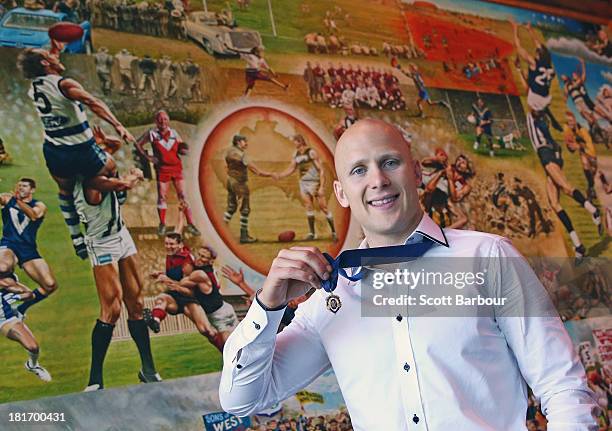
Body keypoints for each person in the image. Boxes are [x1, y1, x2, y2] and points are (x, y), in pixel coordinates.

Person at [219, 119, 599, 429]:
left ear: (416, 171)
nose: (378, 180)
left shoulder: (488, 257)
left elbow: (563, 388)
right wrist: (266, 307)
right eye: (358, 170)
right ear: (341, 193)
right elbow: (242, 399)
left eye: (389, 162)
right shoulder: (331, 300)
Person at [17, 41, 136, 260]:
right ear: (45, 63)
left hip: (54, 150)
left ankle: (76, 239)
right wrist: (118, 125)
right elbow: (93, 102)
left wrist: (53, 49)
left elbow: (46, 63)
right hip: (80, 149)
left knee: (65, 191)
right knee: (110, 165)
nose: (56, 57)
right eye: (50, 56)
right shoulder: (64, 84)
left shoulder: (33, 87)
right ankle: (119, 199)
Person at [74, 128, 161, 390]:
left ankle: (148, 370)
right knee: (111, 310)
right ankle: (94, 380)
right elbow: (123, 184)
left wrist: (105, 140)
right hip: (101, 241)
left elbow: (115, 149)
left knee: (135, 303)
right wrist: (131, 176)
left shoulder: (101, 165)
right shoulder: (90, 179)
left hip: (121, 235)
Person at [526, 109, 602, 260]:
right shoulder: (541, 118)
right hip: (548, 154)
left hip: (546, 152)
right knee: (554, 203)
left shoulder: (536, 116)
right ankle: (578, 246)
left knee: (566, 188)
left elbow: (542, 121)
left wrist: (552, 141)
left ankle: (593, 210)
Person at [144, 233, 223, 351]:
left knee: (206, 331)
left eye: (171, 244)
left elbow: (189, 290)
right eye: (166, 243)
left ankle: (226, 352)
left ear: (180, 245)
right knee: (161, 298)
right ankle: (155, 321)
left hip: (188, 298)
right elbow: (177, 277)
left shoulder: (187, 260)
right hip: (175, 295)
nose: (168, 246)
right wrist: (162, 274)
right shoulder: (170, 256)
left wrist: (167, 280)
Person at [135, 110, 200, 236]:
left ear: (168, 120)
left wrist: (187, 151)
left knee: (183, 196)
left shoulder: (174, 133)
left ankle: (191, 224)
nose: (162, 121)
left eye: (165, 119)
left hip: (176, 168)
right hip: (162, 169)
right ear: (156, 121)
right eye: (160, 119)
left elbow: (181, 147)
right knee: (162, 197)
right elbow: (138, 144)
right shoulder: (152, 134)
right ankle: (162, 224)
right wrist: (148, 157)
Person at [0, 179, 58, 316]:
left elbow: (34, 215)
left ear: (32, 190)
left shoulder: (38, 205)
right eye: (19, 185)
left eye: (24, 186)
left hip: (28, 249)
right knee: (3, 267)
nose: (20, 188)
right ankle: (8, 288)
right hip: (9, 244)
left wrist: (18, 201)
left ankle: (21, 307)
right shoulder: (8, 199)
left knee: (50, 285)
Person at [274, 134, 337, 241]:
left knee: (323, 207)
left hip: (314, 182)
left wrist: (321, 186)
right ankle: (312, 233)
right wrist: (280, 175)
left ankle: (334, 232)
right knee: (308, 206)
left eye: (294, 141)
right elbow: (291, 168)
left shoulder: (311, 152)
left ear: (300, 141)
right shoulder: (296, 154)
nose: (293, 143)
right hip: (303, 183)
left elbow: (321, 170)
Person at [223, 135, 275, 243]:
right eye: (244, 141)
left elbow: (226, 167)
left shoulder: (229, 152)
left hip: (230, 181)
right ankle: (244, 236)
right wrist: (270, 174)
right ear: (238, 142)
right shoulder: (242, 155)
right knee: (245, 209)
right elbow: (257, 171)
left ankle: (221, 230)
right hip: (239, 183)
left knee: (231, 207)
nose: (246, 143)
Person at [0, 276, 51, 382]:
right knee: (32, 347)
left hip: (9, 314)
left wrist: (16, 299)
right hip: (5, 319)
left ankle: (32, 365)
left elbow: (30, 294)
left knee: (33, 347)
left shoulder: (6, 279)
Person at [218, 38, 288, 96]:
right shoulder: (250, 56)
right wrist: (228, 47)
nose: (263, 53)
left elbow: (268, 68)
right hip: (251, 73)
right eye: (261, 51)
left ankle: (283, 87)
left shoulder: (262, 60)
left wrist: (274, 74)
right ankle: (283, 87)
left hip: (255, 72)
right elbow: (237, 51)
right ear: (257, 52)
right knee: (253, 85)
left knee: (253, 85)